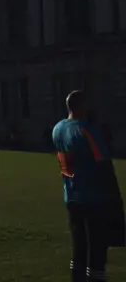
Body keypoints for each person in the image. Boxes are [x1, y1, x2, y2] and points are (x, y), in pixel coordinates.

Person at [52, 90, 125, 281]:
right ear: (82, 105)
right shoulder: (88, 130)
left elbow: (65, 166)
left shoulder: (58, 129)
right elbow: (104, 167)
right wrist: (116, 202)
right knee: (97, 253)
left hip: (72, 197)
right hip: (95, 200)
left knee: (79, 249)